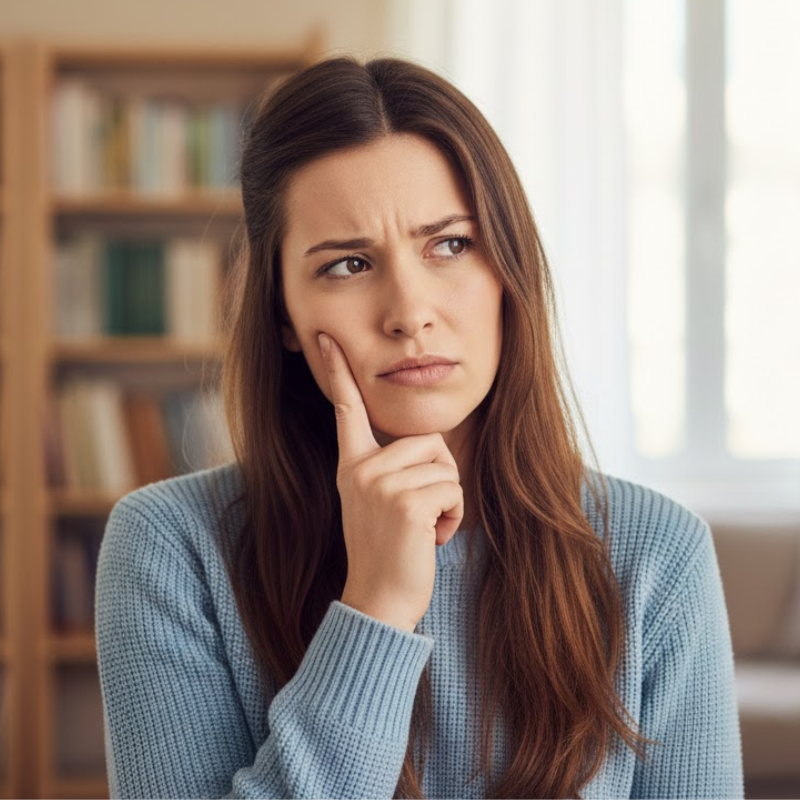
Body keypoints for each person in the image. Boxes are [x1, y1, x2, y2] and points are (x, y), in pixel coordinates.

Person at [94, 55, 744, 799]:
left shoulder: (656, 553)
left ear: (509, 272)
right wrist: (375, 608)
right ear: (282, 313)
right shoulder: (170, 548)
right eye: (347, 265)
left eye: (451, 246)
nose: (409, 311)